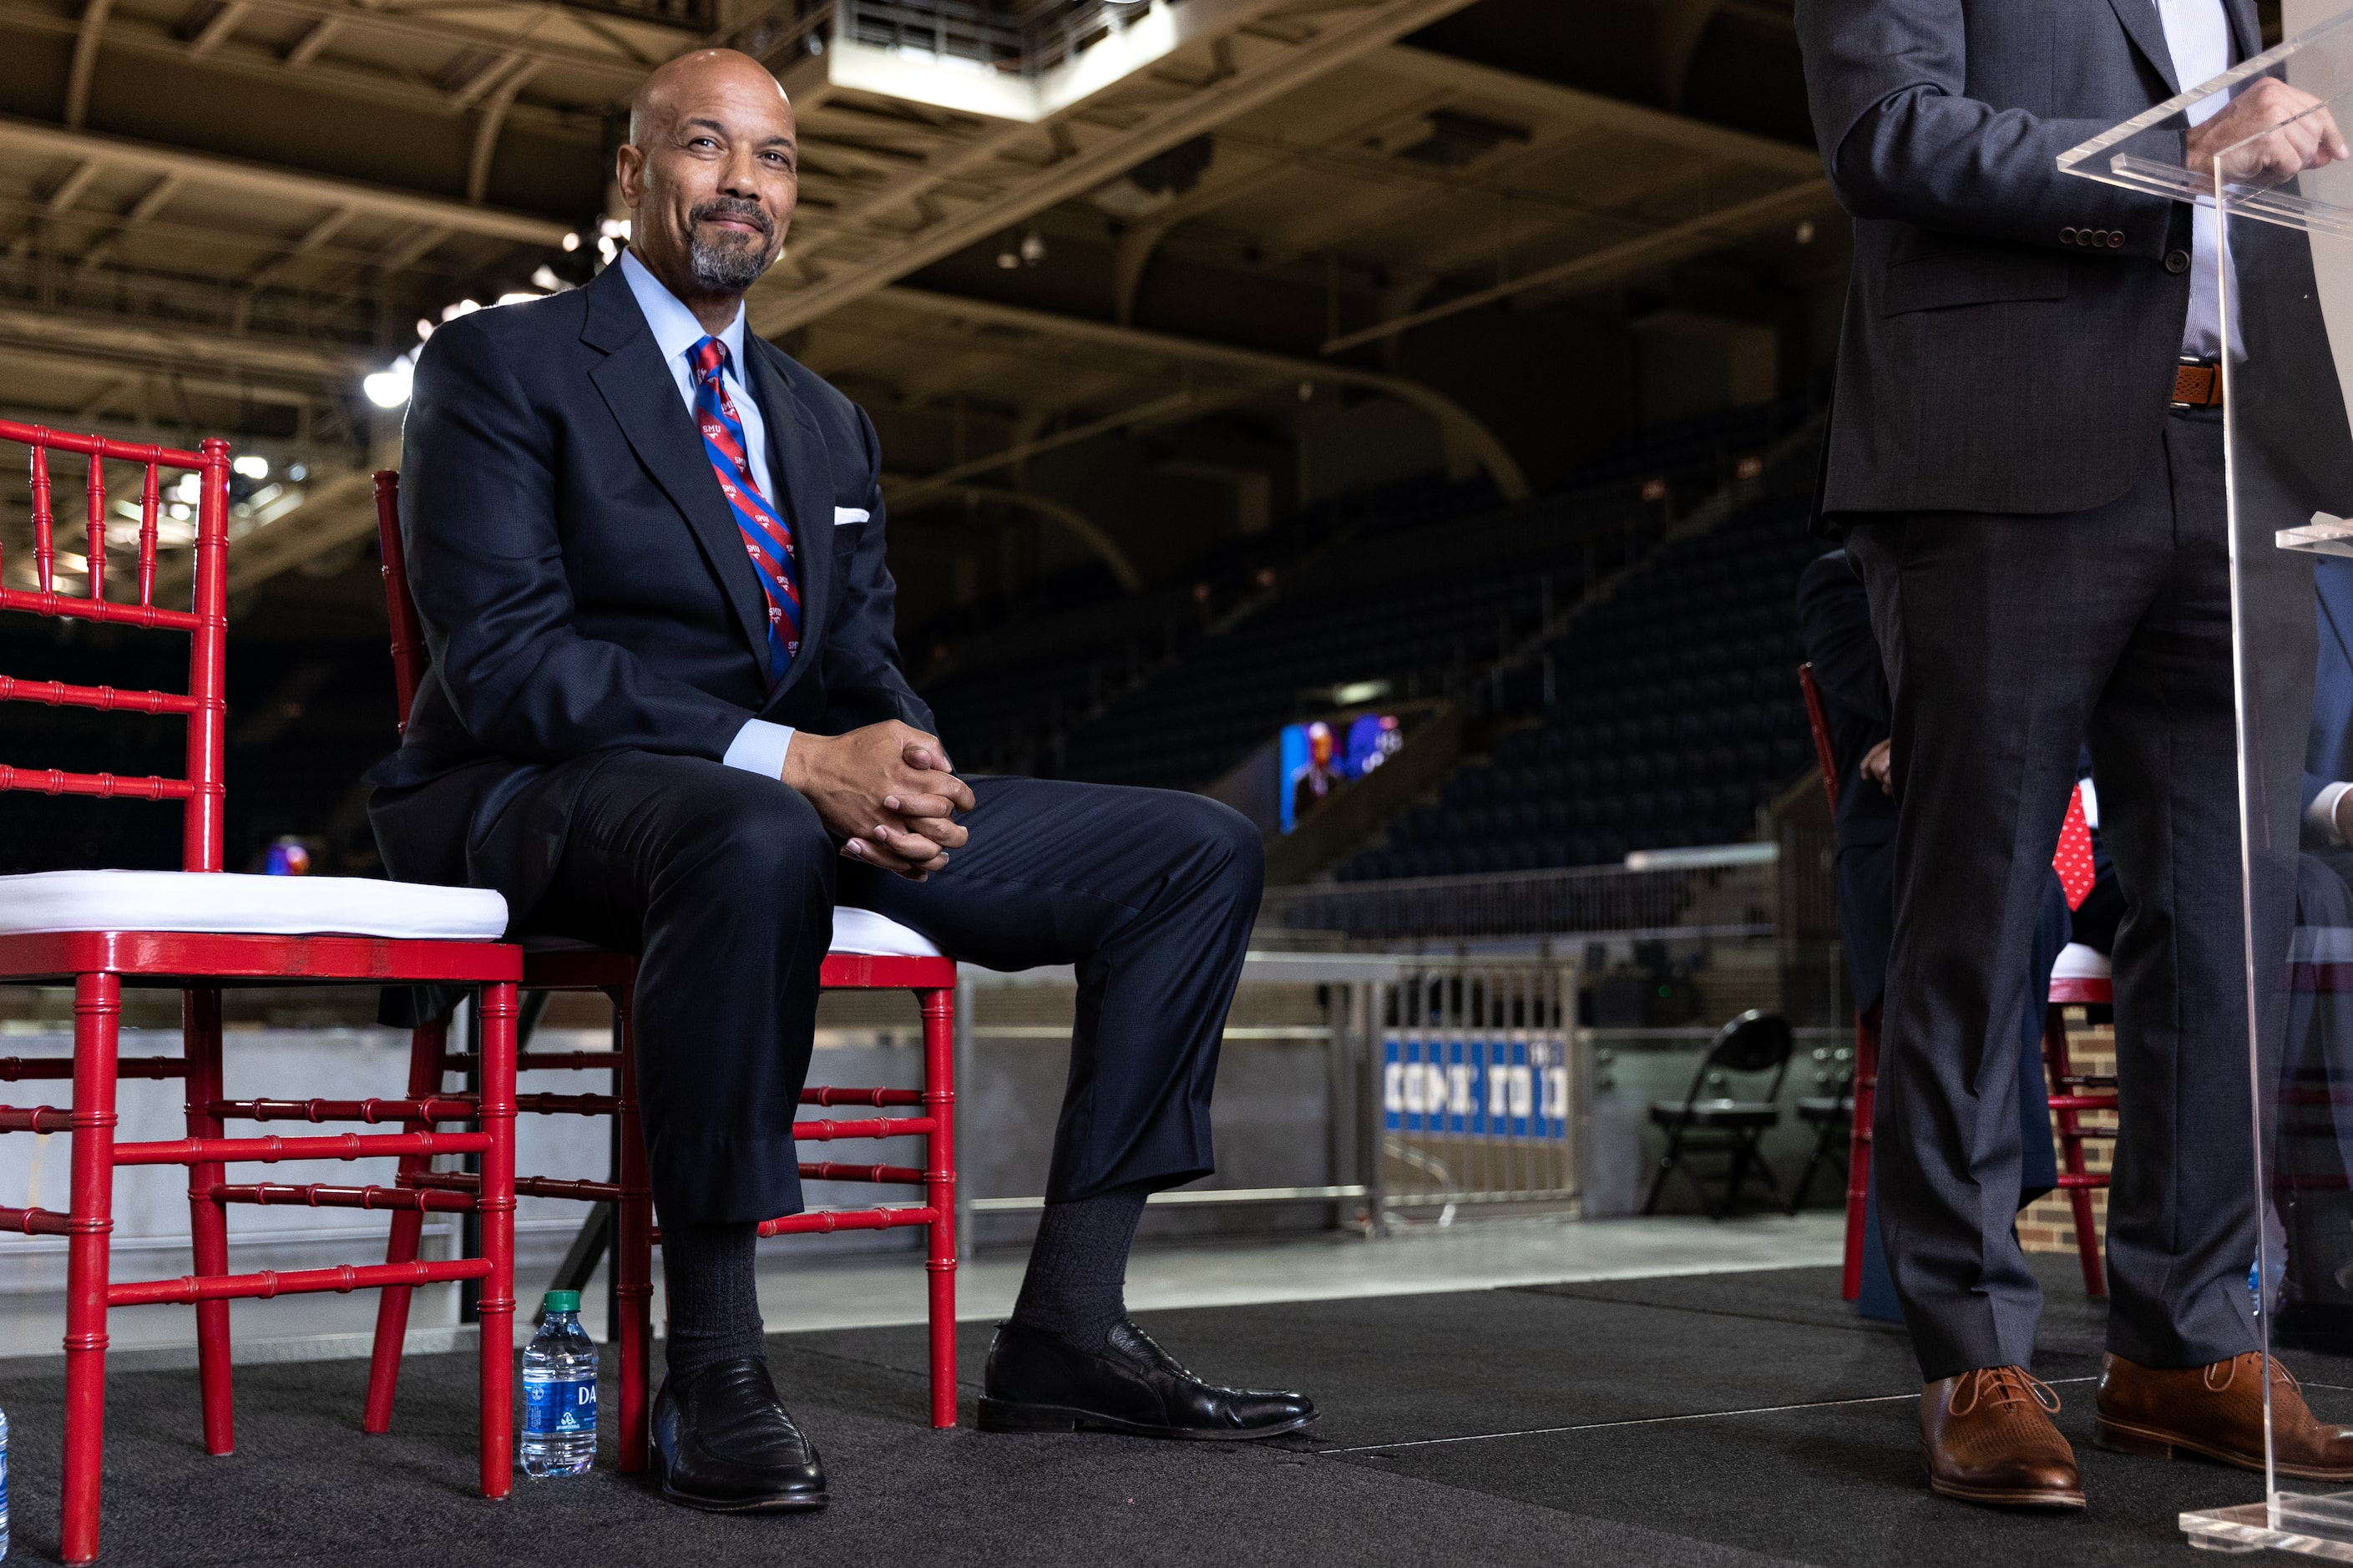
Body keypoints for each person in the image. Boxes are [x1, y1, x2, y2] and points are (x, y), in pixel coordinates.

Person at [365, 48, 1314, 1515]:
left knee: (1192, 849)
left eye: (776, 158)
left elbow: (861, 667)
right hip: (542, 792)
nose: (743, 181)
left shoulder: (824, 422)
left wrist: (908, 768)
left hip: (783, 800)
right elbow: (504, 664)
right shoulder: (503, 364)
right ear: (633, 175)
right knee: (752, 829)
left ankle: (1067, 1324)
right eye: (704, 146)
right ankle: (717, 1371)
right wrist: (793, 761)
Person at [1795, 0, 2353, 1511]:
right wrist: (2182, 150)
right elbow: (1883, 131)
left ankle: (2187, 1341)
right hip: (2001, 447)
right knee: (1976, 911)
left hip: (2249, 459)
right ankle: (1973, 1349)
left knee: (2226, 925)